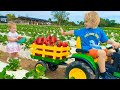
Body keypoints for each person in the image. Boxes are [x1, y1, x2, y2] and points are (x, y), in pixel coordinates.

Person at [60, 11, 120, 79]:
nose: (84, 23)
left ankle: (110, 69)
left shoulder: (100, 31)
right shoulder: (82, 31)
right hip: (88, 51)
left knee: (112, 52)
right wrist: (64, 33)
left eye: (86, 21)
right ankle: (103, 74)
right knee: (102, 53)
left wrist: (113, 42)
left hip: (97, 50)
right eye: (85, 21)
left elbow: (106, 40)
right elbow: (73, 31)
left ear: (93, 22)